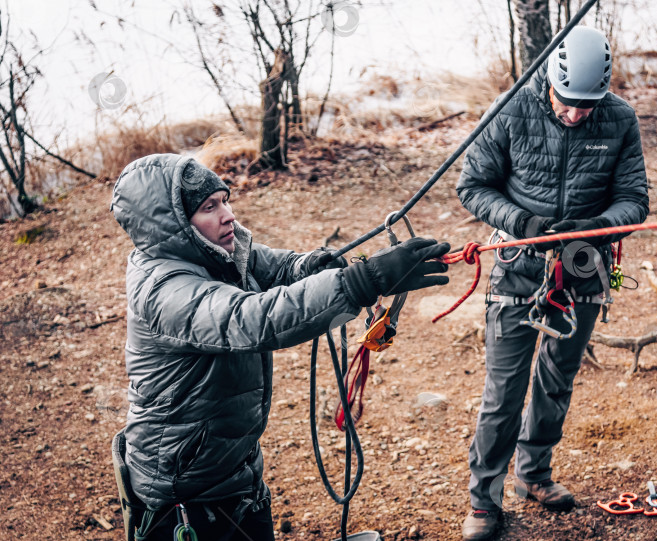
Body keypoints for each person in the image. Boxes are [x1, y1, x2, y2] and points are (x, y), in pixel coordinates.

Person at [109, 153, 450, 540]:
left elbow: (282, 268)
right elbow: (252, 319)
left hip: (235, 473)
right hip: (182, 494)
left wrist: (335, 267)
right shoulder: (163, 289)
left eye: (225, 199)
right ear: (172, 225)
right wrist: (360, 283)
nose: (228, 215)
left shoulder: (220, 249)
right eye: (209, 207)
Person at [456, 26, 649, 540]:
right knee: (504, 391)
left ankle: (534, 474)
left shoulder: (620, 118)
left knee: (557, 380)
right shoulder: (511, 109)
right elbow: (472, 185)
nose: (575, 114)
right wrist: (525, 224)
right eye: (567, 103)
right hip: (517, 264)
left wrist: (590, 230)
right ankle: (484, 502)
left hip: (583, 266)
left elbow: (634, 200)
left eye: (587, 105)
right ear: (550, 82)